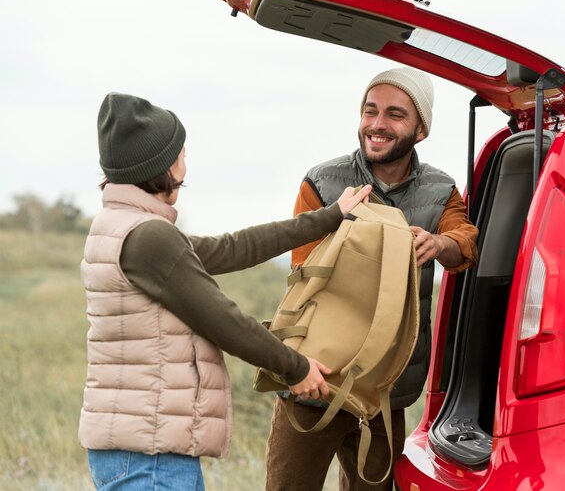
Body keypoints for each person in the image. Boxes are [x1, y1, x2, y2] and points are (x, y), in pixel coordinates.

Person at [78, 92, 371, 490]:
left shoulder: (120, 226)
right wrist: (295, 366)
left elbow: (232, 248)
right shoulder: (149, 238)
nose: (186, 163)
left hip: (140, 446)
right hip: (150, 455)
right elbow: (223, 320)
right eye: (181, 153)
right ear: (161, 166)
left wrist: (328, 218)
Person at [264, 67, 479, 490]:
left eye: (395, 114)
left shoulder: (441, 190)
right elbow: (303, 273)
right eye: (370, 111)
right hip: (316, 379)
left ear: (420, 129)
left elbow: (465, 243)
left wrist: (437, 244)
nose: (377, 124)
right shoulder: (322, 182)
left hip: (386, 390)